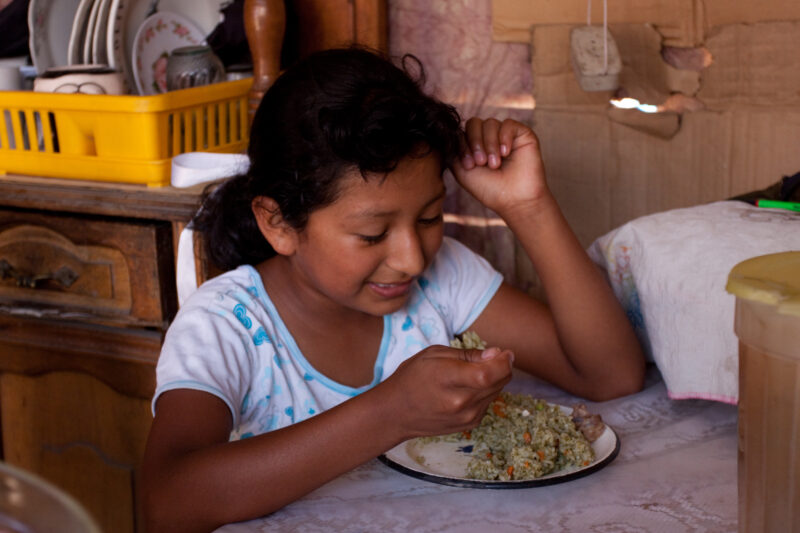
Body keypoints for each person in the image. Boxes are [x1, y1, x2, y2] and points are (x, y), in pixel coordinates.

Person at [141, 46, 645, 533]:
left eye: (429, 217)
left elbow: (610, 375)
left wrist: (528, 207)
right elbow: (165, 506)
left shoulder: (442, 280)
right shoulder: (227, 325)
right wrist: (390, 413)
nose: (412, 258)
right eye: (372, 234)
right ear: (278, 224)